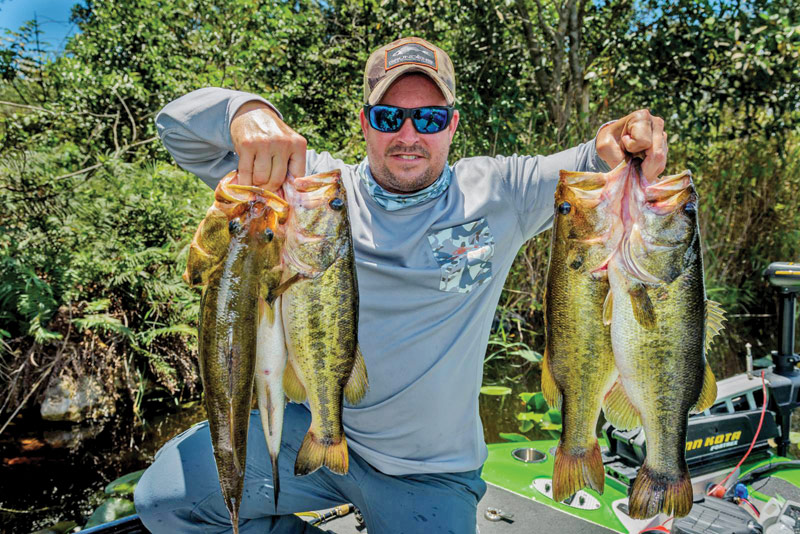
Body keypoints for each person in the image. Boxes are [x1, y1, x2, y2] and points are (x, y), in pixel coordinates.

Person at [134, 36, 667, 534]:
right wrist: (245, 112)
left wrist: (625, 141)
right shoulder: (311, 187)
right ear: (365, 123)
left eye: (428, 118)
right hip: (318, 427)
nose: (408, 135)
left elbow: (598, 162)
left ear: (452, 125)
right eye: (389, 116)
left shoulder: (500, 191)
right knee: (163, 499)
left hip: (431, 473)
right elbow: (177, 130)